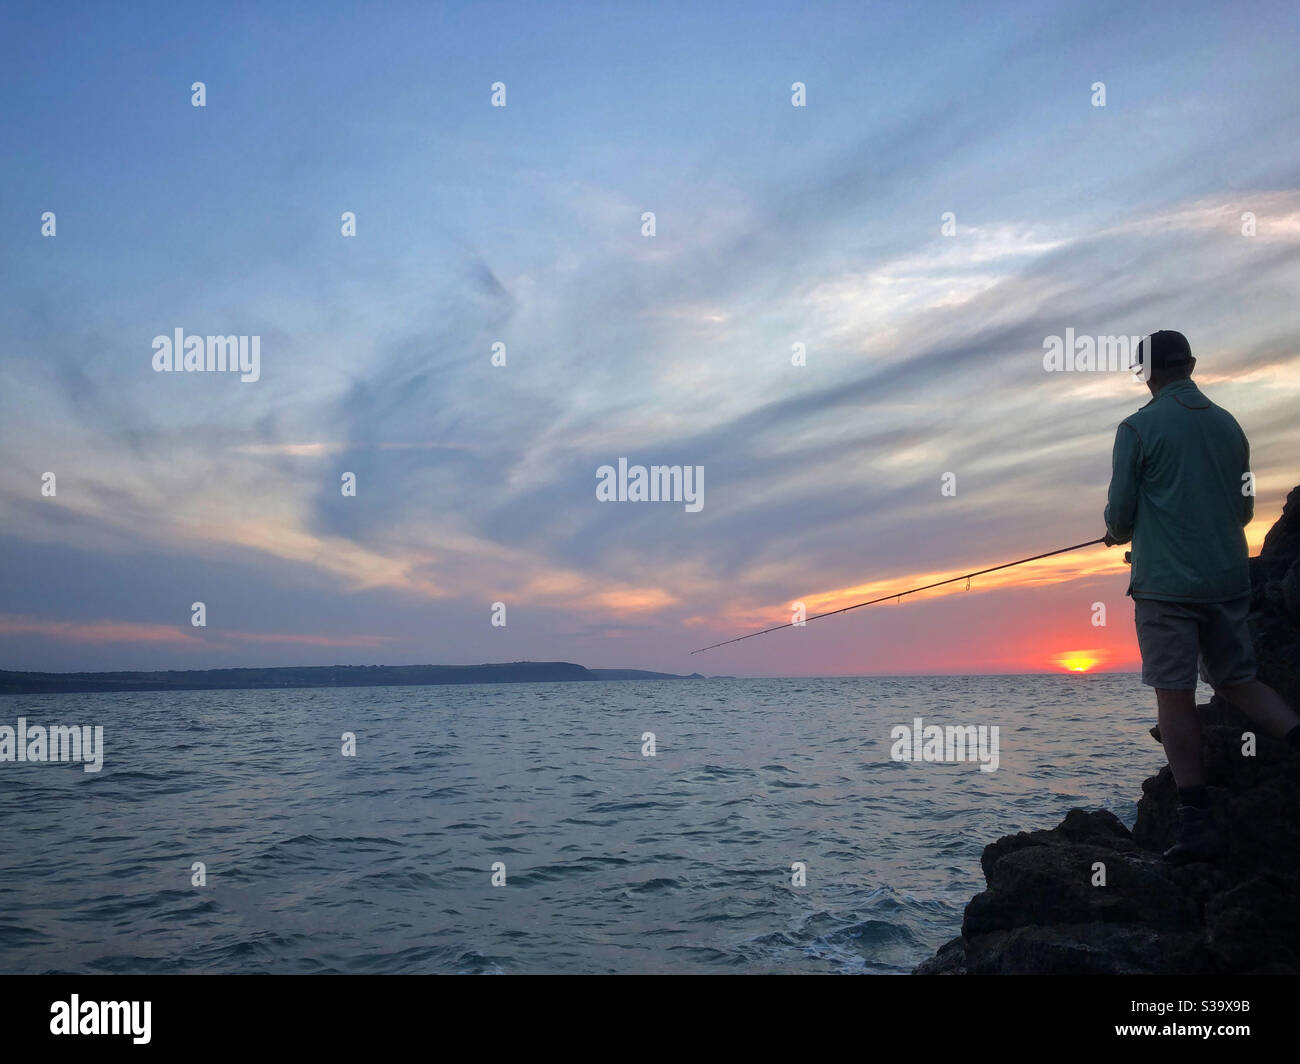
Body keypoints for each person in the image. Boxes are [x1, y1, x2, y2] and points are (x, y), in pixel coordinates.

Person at [1103, 330, 1300, 864]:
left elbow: (1120, 517)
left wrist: (1119, 532)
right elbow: (1242, 511)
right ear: (1190, 364)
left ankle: (1195, 821)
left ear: (1146, 373)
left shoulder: (1137, 428)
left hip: (1166, 586)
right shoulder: (1228, 425)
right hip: (1227, 578)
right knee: (1238, 679)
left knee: (1173, 693)